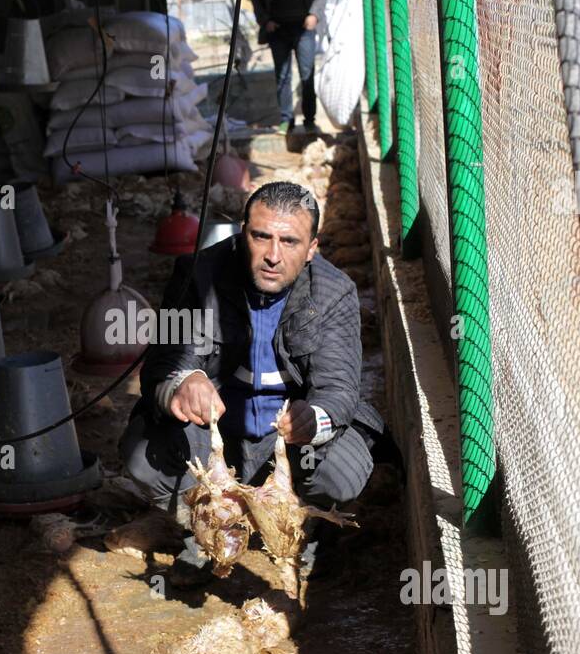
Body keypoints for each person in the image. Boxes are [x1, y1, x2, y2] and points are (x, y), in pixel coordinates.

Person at [120, 181, 386, 585]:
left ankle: (296, 525)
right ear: (242, 233)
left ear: (312, 248)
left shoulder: (334, 294)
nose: (273, 256)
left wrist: (314, 419)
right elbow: (161, 363)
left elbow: (340, 391)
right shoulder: (198, 275)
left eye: (290, 241)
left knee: (339, 473)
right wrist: (184, 381)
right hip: (216, 442)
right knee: (144, 456)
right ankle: (209, 529)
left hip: (287, 448)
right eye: (261, 236)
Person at [251, 0, 326, 135]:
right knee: (282, 76)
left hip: (303, 28)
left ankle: (310, 119)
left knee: (307, 73)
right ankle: (286, 120)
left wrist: (314, 15)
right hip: (278, 30)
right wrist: (265, 21)